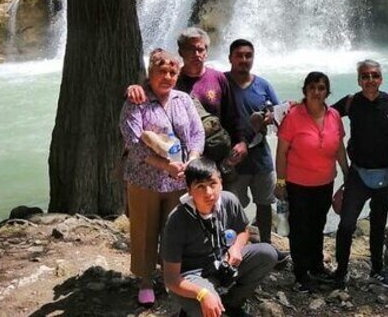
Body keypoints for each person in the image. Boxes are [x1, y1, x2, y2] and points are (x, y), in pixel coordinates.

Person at [119, 49, 205, 306]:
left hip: (179, 179)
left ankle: (172, 277)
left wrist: (192, 159)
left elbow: (197, 133)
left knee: (174, 230)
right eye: (161, 71)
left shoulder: (183, 100)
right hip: (145, 180)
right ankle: (145, 280)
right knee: (144, 229)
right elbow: (134, 142)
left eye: (172, 72)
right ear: (150, 73)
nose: (167, 76)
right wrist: (164, 165)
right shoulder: (137, 101)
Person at [162, 157, 276, 317]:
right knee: (207, 305)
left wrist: (236, 248)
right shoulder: (177, 220)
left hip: (222, 264)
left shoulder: (229, 200)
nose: (209, 193)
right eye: (200, 186)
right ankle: (196, 306)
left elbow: (243, 230)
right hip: (192, 276)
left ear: (221, 182)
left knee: (267, 253)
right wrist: (203, 294)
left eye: (212, 184)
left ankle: (232, 304)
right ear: (189, 189)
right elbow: (171, 280)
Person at [127, 27, 241, 177]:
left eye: (200, 50)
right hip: (178, 161)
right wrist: (133, 88)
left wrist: (240, 142)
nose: (196, 54)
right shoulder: (170, 78)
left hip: (215, 154)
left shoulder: (219, 78)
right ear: (180, 51)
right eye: (190, 49)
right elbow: (147, 92)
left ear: (206, 52)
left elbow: (231, 116)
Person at [275, 72, 348, 293]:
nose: (317, 92)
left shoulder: (334, 115)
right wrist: (280, 181)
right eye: (312, 88)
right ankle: (300, 273)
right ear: (305, 90)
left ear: (327, 92)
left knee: (318, 225)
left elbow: (339, 147)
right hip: (298, 184)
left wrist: (347, 172)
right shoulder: (294, 116)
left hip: (325, 182)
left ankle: (316, 265)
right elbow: (281, 153)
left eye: (321, 88)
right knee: (299, 228)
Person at [331, 59, 388, 290]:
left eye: (375, 75)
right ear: (359, 80)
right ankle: (341, 270)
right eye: (366, 76)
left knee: (379, 224)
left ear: (381, 78)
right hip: (358, 174)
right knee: (347, 224)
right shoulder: (351, 102)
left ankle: (377, 269)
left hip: (386, 173)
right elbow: (323, 112)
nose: (370, 80)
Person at [224, 39, 285, 250]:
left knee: (265, 203)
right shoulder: (221, 82)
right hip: (231, 158)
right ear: (230, 57)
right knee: (231, 205)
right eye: (239, 55)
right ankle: (231, 247)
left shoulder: (263, 85)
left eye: (248, 55)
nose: (244, 60)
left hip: (261, 158)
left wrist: (268, 117)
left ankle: (266, 246)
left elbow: (280, 114)